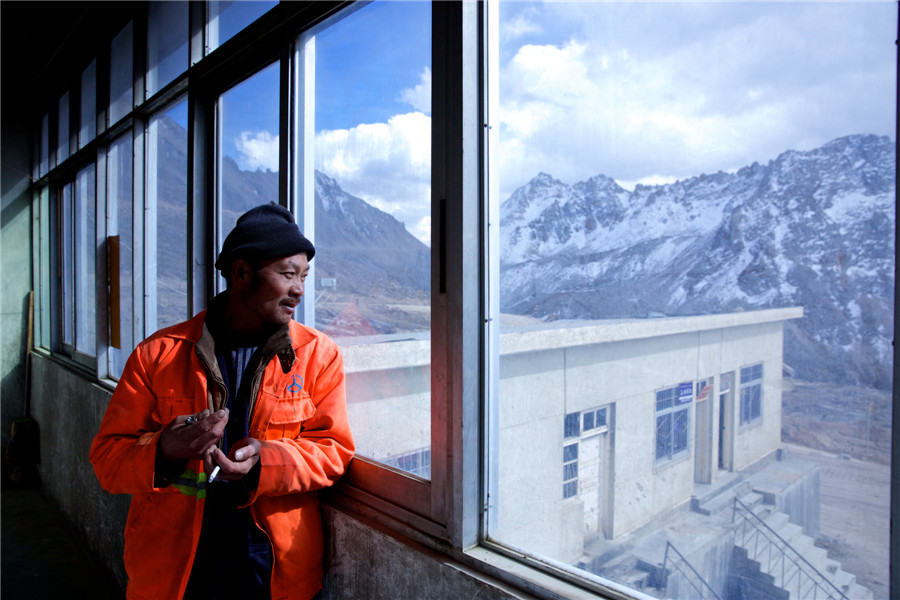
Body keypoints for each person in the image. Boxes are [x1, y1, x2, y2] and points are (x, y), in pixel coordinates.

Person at [90, 203, 355, 600]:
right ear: (242, 273)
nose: (299, 289)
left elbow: (334, 451)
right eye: (288, 274)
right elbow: (107, 460)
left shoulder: (318, 355)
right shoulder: (157, 355)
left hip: (271, 571)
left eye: (304, 276)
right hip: (178, 572)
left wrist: (265, 462)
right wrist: (164, 449)